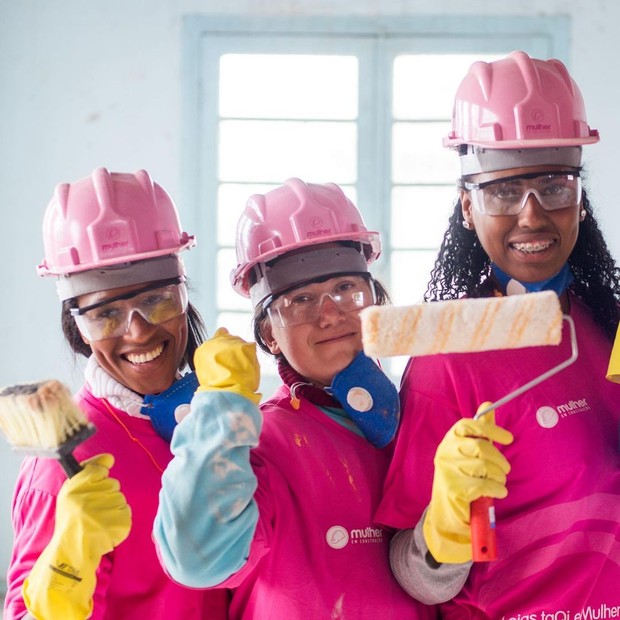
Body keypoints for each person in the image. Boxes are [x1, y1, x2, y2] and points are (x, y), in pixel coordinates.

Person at [375, 51, 620, 616]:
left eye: (555, 186)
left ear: (579, 200)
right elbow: (417, 581)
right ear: (467, 205)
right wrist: (443, 528)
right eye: (503, 192)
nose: (531, 216)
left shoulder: (605, 328)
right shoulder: (447, 360)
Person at [153, 178, 439, 618]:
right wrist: (219, 414)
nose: (330, 314)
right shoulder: (259, 442)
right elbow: (199, 561)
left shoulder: (418, 418)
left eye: (346, 288)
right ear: (269, 334)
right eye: (300, 300)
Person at [4, 168, 229, 619]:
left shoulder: (215, 421)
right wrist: (67, 566)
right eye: (106, 314)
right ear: (79, 330)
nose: (138, 331)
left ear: (185, 295)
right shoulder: (66, 466)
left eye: (157, 300)